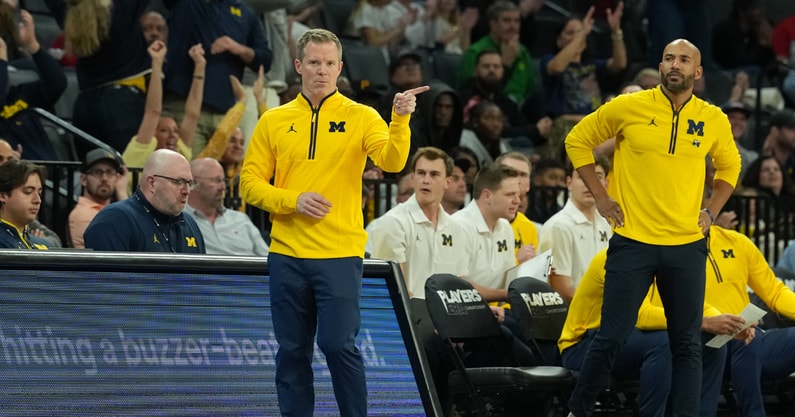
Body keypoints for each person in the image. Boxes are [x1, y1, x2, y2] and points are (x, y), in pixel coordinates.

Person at [239, 28, 427, 417]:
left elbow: (392, 163)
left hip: (339, 252)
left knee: (339, 344)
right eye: (313, 63)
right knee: (292, 350)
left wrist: (400, 120)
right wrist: (293, 200)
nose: (321, 71)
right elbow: (249, 185)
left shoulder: (361, 116)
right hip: (287, 253)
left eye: (329, 64)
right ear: (298, 66)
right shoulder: (274, 120)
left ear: (340, 67)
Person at [563, 39, 742, 417]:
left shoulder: (713, 118)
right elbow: (577, 140)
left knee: (687, 343)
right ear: (661, 66)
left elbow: (730, 167)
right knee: (610, 337)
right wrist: (601, 196)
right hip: (634, 241)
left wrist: (710, 212)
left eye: (684, 60)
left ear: (698, 72)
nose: (675, 64)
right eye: (668, 58)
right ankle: (576, 410)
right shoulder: (629, 106)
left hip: (686, 244)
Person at [561, 249, 733, 417]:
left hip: (631, 343)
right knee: (664, 343)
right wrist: (703, 322)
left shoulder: (671, 262)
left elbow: (697, 307)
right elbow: (640, 316)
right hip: (585, 346)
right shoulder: (616, 257)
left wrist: (727, 323)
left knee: (711, 343)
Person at [696, 224, 795, 417]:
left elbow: (774, 292)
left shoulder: (737, 242)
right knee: (746, 338)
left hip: (749, 337)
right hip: (703, 341)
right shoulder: (668, 247)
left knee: (748, 335)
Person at [161, 0, 272, 156]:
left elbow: (266, 59)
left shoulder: (245, 13)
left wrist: (238, 48)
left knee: (219, 177)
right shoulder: (187, 4)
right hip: (182, 107)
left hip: (224, 111)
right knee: (185, 172)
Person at [83, 149, 205, 253]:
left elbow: (204, 279)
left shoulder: (189, 224)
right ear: (152, 183)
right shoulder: (114, 220)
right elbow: (107, 279)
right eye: (178, 182)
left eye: (189, 183)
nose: (187, 191)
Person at [538, 155, 612, 303]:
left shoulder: (606, 224)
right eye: (583, 177)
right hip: (572, 315)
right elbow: (562, 290)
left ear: (606, 184)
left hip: (602, 310)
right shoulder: (558, 226)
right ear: (569, 183)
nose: (590, 184)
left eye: (597, 177)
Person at [0, 9, 67, 161]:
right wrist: (1, 59)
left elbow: (57, 83)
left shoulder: (20, 94)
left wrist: (32, 45)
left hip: (52, 176)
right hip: (16, 179)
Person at [452, 163, 524, 302]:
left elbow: (507, 281)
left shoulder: (505, 227)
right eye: (510, 194)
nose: (517, 201)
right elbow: (457, 287)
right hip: (462, 314)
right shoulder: (459, 227)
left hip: (494, 310)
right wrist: (507, 295)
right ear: (487, 196)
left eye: (518, 194)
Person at [185, 158, 267, 256]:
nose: (223, 187)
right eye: (217, 180)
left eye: (224, 181)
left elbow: (267, 258)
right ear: (194, 183)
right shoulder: (180, 221)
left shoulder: (240, 219)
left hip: (249, 270)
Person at [458, 1, 535, 104]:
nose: (513, 26)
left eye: (517, 21)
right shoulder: (475, 51)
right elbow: (468, 92)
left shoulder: (523, 51)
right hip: (490, 106)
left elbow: (531, 89)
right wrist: (505, 64)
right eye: (506, 21)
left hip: (521, 108)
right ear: (493, 24)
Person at [68, 149, 128, 248]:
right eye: (97, 172)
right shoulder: (83, 213)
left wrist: (122, 193)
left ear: (117, 178)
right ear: (83, 179)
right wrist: (122, 195)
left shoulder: (109, 210)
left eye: (110, 172)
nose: (104, 178)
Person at [0, 159, 48, 249]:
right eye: (28, 192)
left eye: (39, 193)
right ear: (3, 195)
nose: (38, 200)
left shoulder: (37, 244)